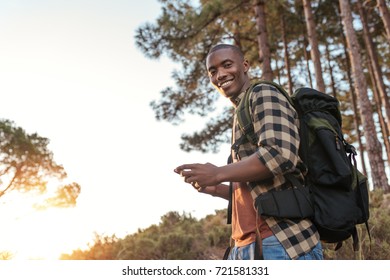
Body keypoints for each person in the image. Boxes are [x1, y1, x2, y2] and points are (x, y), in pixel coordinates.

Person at [174, 43, 323, 260]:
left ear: (245, 65)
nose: (220, 75)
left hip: (282, 243)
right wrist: (217, 188)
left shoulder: (263, 93)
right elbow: (258, 192)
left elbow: (280, 154)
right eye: (213, 71)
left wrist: (218, 172)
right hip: (245, 248)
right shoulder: (240, 113)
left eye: (227, 65)